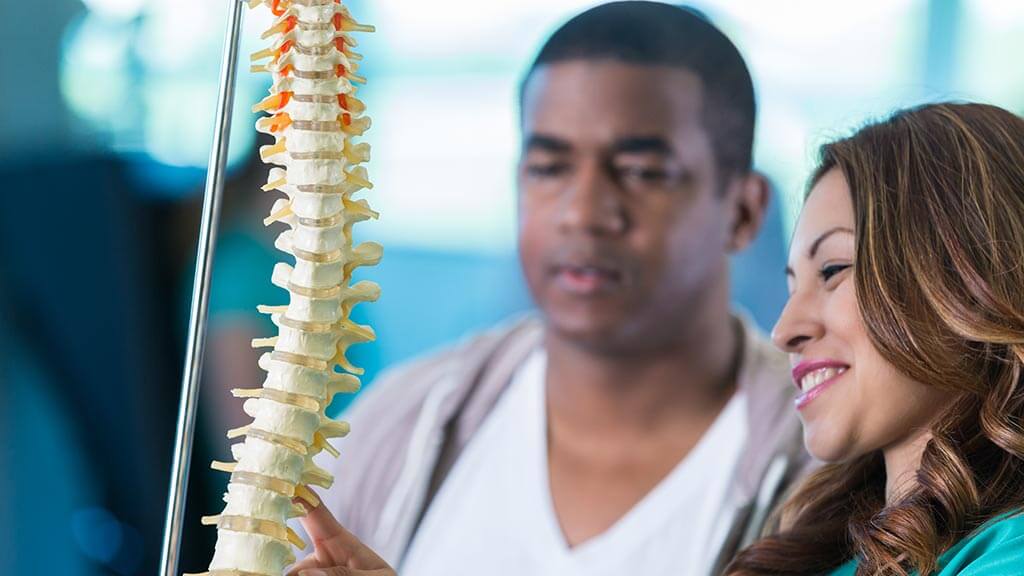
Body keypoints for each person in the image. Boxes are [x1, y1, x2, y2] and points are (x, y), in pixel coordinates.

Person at [290, 2, 811, 575]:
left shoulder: (824, 472)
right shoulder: (404, 421)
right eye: (548, 168)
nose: (583, 213)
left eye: (641, 171)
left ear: (743, 209)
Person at [725, 102, 1024, 575]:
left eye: (832, 270)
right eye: (790, 288)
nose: (784, 331)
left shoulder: (1010, 553)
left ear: (968, 278)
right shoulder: (825, 548)